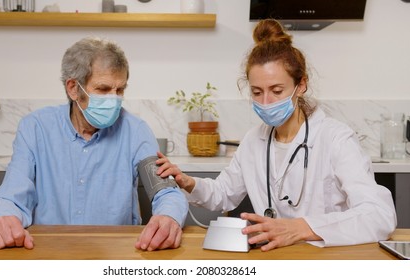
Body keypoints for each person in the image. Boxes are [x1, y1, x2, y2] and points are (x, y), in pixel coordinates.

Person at [157, 19, 397, 251]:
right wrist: (189, 183)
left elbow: (379, 215)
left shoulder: (335, 139)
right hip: (274, 257)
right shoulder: (253, 141)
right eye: (257, 92)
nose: (266, 102)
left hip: (326, 258)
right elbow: (223, 194)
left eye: (277, 91)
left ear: (301, 85)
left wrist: (301, 228)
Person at [0, 36, 188, 251]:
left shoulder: (136, 131)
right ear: (73, 88)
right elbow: (12, 193)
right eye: (103, 89)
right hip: (48, 252)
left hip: (116, 256)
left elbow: (166, 192)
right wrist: (5, 218)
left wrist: (169, 216)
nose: (114, 99)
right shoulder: (35, 128)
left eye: (120, 90)